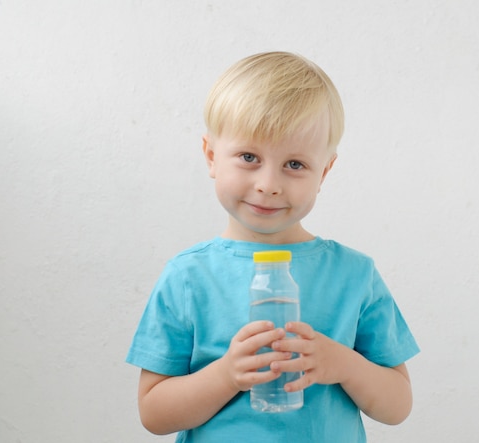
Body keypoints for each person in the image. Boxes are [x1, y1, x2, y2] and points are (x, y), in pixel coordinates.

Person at [126, 51, 420, 442]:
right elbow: (154, 414)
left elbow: (398, 405)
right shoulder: (188, 276)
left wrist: (345, 365)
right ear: (212, 156)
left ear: (324, 172)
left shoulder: (354, 275)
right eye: (249, 157)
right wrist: (227, 374)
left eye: (294, 164)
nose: (268, 183)